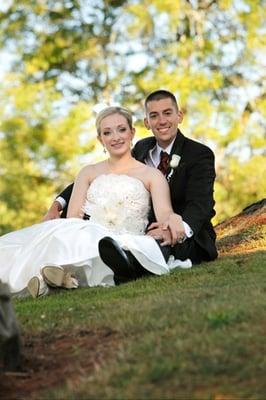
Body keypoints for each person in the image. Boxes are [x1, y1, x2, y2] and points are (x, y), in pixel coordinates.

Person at [0, 106, 189, 298]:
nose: (115, 137)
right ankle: (51, 276)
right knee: (67, 233)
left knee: (133, 246)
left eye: (121, 129)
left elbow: (164, 212)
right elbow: (73, 217)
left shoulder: (151, 175)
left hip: (129, 237)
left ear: (132, 133)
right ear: (100, 139)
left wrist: (172, 219)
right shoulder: (88, 172)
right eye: (107, 132)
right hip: (91, 234)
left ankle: (64, 278)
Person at [45, 90, 218, 267]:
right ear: (147, 122)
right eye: (154, 116)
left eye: (167, 113)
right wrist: (58, 203)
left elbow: (201, 203)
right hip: (143, 230)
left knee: (156, 244)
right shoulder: (142, 148)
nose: (162, 121)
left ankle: (127, 264)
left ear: (179, 116)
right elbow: (103, 177)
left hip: (187, 233)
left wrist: (178, 226)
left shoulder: (199, 154)